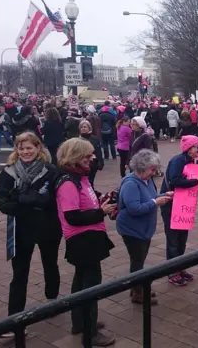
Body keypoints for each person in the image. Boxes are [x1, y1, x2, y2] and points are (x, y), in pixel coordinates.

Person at [0, 132, 62, 338]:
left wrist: (24, 199)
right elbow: (2, 201)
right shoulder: (8, 173)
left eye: (29, 148)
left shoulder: (51, 171)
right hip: (20, 229)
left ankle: (53, 300)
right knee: (19, 274)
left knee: (50, 264)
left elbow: (53, 199)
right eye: (21, 148)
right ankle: (14, 319)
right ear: (17, 150)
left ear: (38, 148)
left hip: (48, 227)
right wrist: (28, 203)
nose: (25, 152)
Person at [55, 138, 116, 346]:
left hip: (89, 238)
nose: (93, 158)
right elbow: (72, 216)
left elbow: (86, 203)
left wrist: (102, 200)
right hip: (82, 240)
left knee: (81, 283)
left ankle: (80, 323)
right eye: (88, 155)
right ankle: (89, 334)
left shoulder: (80, 178)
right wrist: (101, 212)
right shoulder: (68, 183)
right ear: (75, 157)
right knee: (90, 286)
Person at [116, 149, 172, 303]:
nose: (154, 172)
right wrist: (155, 202)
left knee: (139, 260)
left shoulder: (146, 180)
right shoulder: (130, 184)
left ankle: (136, 287)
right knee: (137, 261)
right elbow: (135, 208)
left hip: (143, 228)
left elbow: (152, 198)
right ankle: (138, 293)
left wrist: (164, 196)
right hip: (132, 229)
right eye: (152, 169)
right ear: (141, 167)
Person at [160, 135, 198, 285]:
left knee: (182, 239)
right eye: (197, 147)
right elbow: (175, 181)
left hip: (183, 205)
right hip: (171, 204)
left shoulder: (191, 162)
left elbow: (191, 186)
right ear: (188, 149)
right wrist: (196, 181)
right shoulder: (178, 160)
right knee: (173, 240)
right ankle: (172, 271)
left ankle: (179, 267)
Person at [78, 120, 104, 189]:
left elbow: (98, 152)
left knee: (90, 181)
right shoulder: (78, 139)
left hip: (92, 164)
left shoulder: (94, 139)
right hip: (81, 164)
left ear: (89, 128)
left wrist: (100, 162)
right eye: (81, 127)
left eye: (85, 127)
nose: (83, 128)